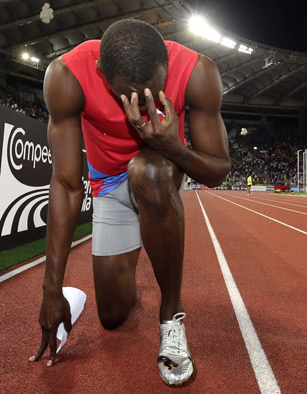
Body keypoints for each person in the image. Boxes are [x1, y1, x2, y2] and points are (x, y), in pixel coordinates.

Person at [29, 20, 231, 386]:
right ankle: (93, 284)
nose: (144, 105)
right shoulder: (67, 76)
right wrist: (52, 289)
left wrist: (172, 145)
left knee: (147, 171)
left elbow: (218, 171)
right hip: (107, 187)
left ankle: (171, 316)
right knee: (111, 316)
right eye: (130, 95)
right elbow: (66, 184)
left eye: (154, 91)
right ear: (101, 73)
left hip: (159, 172)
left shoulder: (197, 72)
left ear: (166, 65)